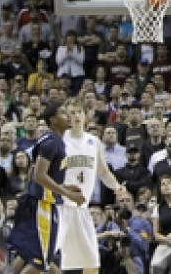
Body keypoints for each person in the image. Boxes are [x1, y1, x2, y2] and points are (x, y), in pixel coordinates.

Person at [7, 102, 86, 274]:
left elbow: (37, 174)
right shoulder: (51, 142)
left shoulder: (54, 140)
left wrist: (64, 187)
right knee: (39, 261)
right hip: (41, 204)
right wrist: (68, 195)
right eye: (64, 113)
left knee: (29, 255)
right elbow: (39, 176)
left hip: (37, 200)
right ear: (53, 120)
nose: (69, 116)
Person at [58, 99, 124, 273]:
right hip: (61, 206)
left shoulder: (94, 142)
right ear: (66, 117)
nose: (76, 116)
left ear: (85, 115)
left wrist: (117, 187)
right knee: (51, 258)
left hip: (82, 208)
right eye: (72, 113)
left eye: (79, 112)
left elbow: (103, 172)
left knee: (91, 261)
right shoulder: (60, 139)